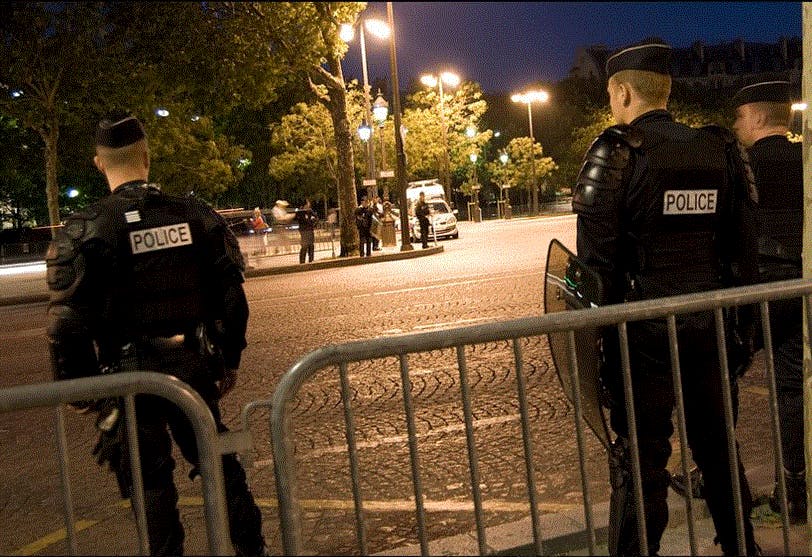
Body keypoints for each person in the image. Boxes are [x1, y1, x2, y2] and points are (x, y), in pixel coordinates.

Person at [45, 115, 266, 556]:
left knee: (150, 487)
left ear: (98, 164)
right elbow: (233, 302)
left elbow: (66, 327)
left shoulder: (85, 232)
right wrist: (229, 359)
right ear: (147, 156)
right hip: (191, 367)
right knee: (221, 468)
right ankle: (251, 550)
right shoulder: (197, 216)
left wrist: (84, 387)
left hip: (127, 376)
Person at [571, 40, 760, 555]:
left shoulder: (616, 152)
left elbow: (595, 270)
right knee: (719, 451)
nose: (613, 105)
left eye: (612, 95)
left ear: (625, 91)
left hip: (644, 339)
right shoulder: (719, 149)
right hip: (711, 328)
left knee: (640, 461)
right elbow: (743, 253)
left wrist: (601, 347)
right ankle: (742, 548)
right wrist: (741, 330)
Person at [735, 80, 805, 522]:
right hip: (799, 288)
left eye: (740, 116)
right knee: (793, 388)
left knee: (717, 379)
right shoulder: (805, 160)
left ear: (758, 117)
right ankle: (794, 487)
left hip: (754, 292)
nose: (737, 124)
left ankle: (725, 481)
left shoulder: (740, 167)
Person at [294, 199, 318, 264]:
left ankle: (311, 260)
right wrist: (310, 221)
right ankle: (302, 261)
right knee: (304, 246)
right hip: (304, 230)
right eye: (307, 203)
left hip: (310, 230)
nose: (309, 205)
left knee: (311, 245)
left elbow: (316, 218)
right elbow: (303, 221)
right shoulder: (300, 212)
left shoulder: (310, 211)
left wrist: (313, 223)